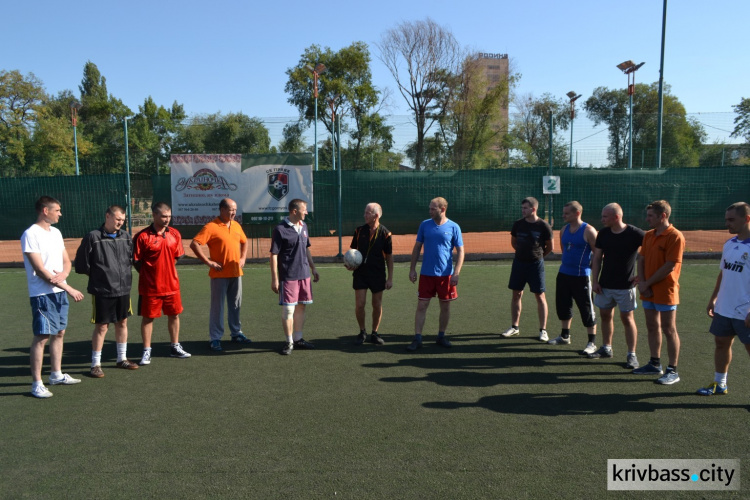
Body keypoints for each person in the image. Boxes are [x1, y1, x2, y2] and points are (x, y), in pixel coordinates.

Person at [22, 196, 85, 398]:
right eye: (57, 210)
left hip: (58, 292)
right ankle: (37, 384)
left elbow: (66, 261)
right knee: (42, 337)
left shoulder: (56, 232)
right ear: (45, 210)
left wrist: (65, 274)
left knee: (59, 333)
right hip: (42, 295)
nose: (60, 213)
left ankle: (56, 375)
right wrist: (69, 288)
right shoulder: (30, 234)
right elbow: (40, 270)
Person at [75, 205, 138, 378]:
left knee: (123, 322)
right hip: (102, 290)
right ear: (107, 216)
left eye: (123, 220)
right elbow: (81, 264)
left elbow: (131, 259)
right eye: (118, 219)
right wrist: (100, 276)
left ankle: (122, 358)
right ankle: (95, 364)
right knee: (102, 326)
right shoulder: (93, 237)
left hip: (123, 289)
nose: (120, 223)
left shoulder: (126, 237)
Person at [697, 202, 750, 396]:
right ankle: (720, 384)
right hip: (725, 307)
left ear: (747, 219)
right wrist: (714, 298)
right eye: (726, 219)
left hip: (745, 310)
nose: (727, 223)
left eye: (731, 220)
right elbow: (723, 274)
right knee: (721, 342)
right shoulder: (729, 244)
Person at [632, 200, 685, 384]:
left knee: (669, 329)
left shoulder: (675, 236)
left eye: (650, 216)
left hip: (665, 290)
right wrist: (642, 281)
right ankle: (654, 363)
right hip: (648, 288)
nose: (647, 219)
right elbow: (641, 259)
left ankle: (673, 370)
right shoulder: (648, 235)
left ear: (663, 216)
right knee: (652, 326)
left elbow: (670, 266)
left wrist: (647, 283)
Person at [133, 202, 191, 365]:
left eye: (169, 216)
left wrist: (167, 271)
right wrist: (150, 274)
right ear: (154, 215)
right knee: (148, 318)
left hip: (172, 286)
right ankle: (146, 351)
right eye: (163, 216)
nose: (167, 220)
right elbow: (136, 261)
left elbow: (177, 256)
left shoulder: (175, 234)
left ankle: (175, 346)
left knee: (174, 315)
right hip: (150, 288)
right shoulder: (142, 236)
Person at [190, 198, 250, 352]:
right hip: (219, 274)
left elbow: (244, 241)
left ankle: (236, 333)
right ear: (222, 210)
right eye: (231, 209)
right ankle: (215, 338)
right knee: (218, 307)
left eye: (235, 209)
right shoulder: (211, 227)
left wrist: (243, 258)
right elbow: (194, 243)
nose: (234, 212)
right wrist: (208, 262)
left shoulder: (236, 225)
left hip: (236, 272)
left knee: (236, 305)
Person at [589, 203, 645, 368]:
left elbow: (650, 251)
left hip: (625, 287)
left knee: (627, 319)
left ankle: (631, 354)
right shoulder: (604, 233)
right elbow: (597, 258)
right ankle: (606, 348)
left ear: (616, 217)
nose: (602, 219)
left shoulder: (634, 233)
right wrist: (595, 281)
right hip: (605, 285)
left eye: (605, 217)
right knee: (605, 316)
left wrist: (642, 275)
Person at [407, 197, 464, 351]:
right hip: (426, 274)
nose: (430, 211)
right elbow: (417, 247)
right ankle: (418, 338)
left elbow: (461, 251)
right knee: (422, 305)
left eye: (433, 208)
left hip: (446, 275)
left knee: (445, 307)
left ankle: (441, 336)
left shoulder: (454, 227)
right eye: (430, 208)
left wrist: (456, 272)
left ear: (442, 209)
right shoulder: (425, 225)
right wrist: (412, 269)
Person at [270, 199, 320, 355]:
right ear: (294, 211)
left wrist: (313, 268)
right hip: (288, 276)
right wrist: (275, 278)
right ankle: (289, 342)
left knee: (301, 306)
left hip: (304, 274)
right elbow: (274, 255)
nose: (306, 212)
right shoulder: (280, 229)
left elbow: (306, 249)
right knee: (288, 310)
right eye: (304, 210)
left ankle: (298, 339)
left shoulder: (304, 226)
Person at [548, 201, 598, 353]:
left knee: (586, 308)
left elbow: (598, 254)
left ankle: (591, 342)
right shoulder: (564, 229)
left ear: (577, 213)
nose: (563, 216)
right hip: (563, 274)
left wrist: (594, 275)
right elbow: (565, 250)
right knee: (563, 306)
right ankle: (564, 336)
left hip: (581, 276)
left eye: (566, 213)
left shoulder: (589, 230)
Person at [501, 197, 553, 341]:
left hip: (536, 265)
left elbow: (550, 247)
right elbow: (514, 242)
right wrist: (522, 254)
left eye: (525, 208)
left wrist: (538, 256)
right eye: (522, 208)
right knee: (516, 294)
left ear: (533, 209)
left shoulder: (543, 225)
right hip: (519, 264)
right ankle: (514, 327)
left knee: (540, 296)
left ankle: (543, 330)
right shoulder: (518, 224)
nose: (523, 210)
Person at [349, 203, 394, 346]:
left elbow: (389, 257)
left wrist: (390, 278)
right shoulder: (359, 231)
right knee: (360, 304)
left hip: (378, 273)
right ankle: (362, 331)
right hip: (360, 273)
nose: (364, 215)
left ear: (376, 215)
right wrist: (350, 264)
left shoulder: (386, 233)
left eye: (367, 213)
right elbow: (352, 253)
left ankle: (374, 333)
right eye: (365, 212)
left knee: (376, 304)